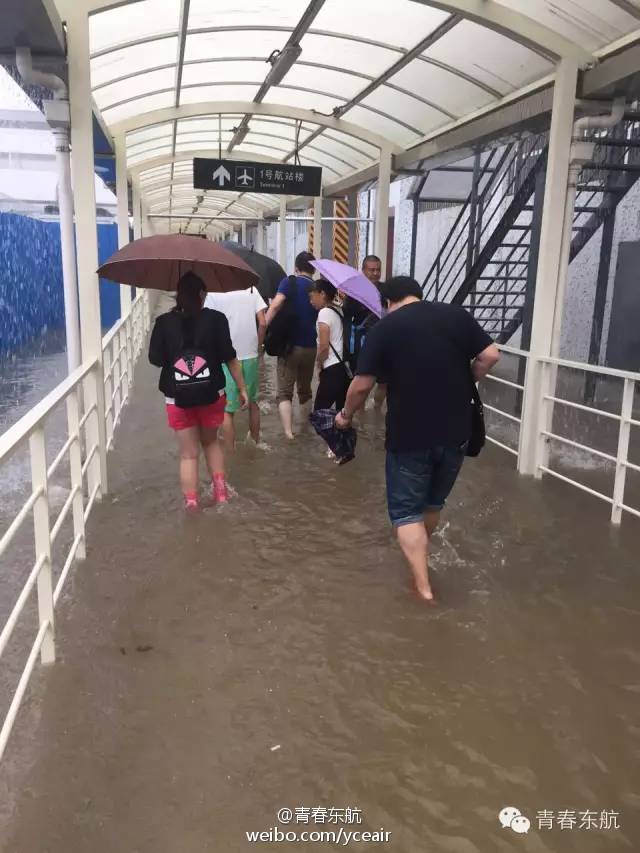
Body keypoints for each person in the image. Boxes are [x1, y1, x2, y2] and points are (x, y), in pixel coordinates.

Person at [336, 276, 500, 602]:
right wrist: (467, 378)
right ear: (418, 295)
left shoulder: (385, 328)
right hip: (456, 431)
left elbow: (362, 385)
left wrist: (345, 415)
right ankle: (420, 553)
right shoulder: (455, 316)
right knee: (432, 503)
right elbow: (491, 355)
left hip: (409, 433)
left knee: (406, 512)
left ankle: (423, 588)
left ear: (387, 302)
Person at [148, 272, 249, 510]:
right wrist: (242, 388)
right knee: (211, 443)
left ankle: (192, 505)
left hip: (177, 397)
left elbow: (155, 359)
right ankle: (222, 496)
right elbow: (230, 358)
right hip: (212, 394)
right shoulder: (217, 319)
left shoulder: (164, 322)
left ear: (178, 296)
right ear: (202, 294)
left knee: (188, 454)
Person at [205, 286, 267, 450]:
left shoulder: (213, 293)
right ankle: (256, 442)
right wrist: (258, 345)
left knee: (227, 410)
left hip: (226, 356)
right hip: (250, 354)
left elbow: (208, 324)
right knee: (253, 402)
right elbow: (263, 322)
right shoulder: (252, 291)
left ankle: (230, 452)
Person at [265, 251, 318, 439]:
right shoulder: (316, 287)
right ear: (314, 268)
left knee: (285, 393)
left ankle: (289, 434)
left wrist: (264, 325)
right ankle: (305, 429)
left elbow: (277, 304)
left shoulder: (289, 282)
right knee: (305, 390)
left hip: (290, 347)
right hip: (311, 347)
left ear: (296, 267)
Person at [343, 254, 386, 409]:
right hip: (362, 342)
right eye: (372, 270)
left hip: (383, 339)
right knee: (361, 378)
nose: (375, 273)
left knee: (383, 381)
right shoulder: (354, 291)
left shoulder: (385, 290)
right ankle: (359, 412)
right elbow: (347, 315)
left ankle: (376, 410)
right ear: (363, 270)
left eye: (378, 270)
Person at [309, 279, 350, 411]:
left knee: (319, 413)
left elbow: (324, 347)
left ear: (322, 294)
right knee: (340, 414)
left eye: (312, 296)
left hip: (331, 369)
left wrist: (318, 365)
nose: (311, 301)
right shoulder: (339, 310)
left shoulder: (324, 313)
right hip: (343, 368)